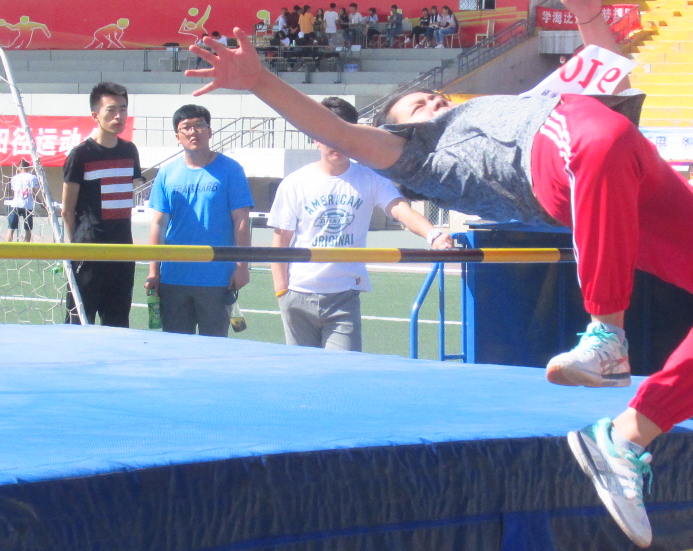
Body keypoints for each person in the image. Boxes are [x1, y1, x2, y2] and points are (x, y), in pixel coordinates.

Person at [186, 0, 693, 548]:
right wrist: (260, 81)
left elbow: (608, 72)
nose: (433, 101)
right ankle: (607, 335)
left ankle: (626, 437)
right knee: (599, 135)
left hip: (629, 168)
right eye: (417, 105)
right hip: (562, 161)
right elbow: (337, 131)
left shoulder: (511, 102)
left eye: (434, 96)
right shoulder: (418, 154)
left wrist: (588, 14)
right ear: (401, 130)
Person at [270, 97, 453, 350]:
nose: (336, 142)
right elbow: (281, 239)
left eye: (343, 133)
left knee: (344, 369)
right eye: (328, 133)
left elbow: (401, 210)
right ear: (315, 137)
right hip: (298, 294)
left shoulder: (370, 177)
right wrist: (282, 292)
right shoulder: (295, 182)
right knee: (303, 369)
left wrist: (433, 234)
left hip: (344, 296)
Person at [145, 104, 253, 337]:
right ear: (177, 136)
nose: (193, 132)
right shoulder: (166, 173)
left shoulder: (231, 170)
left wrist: (242, 267)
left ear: (210, 131)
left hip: (218, 279)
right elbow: (158, 224)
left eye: (200, 126)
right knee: (175, 346)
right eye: (186, 127)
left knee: (213, 348)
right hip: (174, 277)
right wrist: (154, 270)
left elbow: (242, 221)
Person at [61, 81, 142, 328]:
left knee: (118, 323)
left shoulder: (130, 150)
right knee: (78, 323)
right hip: (88, 253)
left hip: (123, 253)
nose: (119, 116)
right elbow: (67, 210)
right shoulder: (80, 154)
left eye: (123, 109)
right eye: (111, 109)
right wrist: (74, 249)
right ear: (95, 115)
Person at [6, 159, 40, 243]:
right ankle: (25, 247)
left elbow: (14, 191)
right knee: (28, 229)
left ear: (19, 168)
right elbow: (33, 193)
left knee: (11, 228)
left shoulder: (14, 178)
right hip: (27, 205)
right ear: (28, 168)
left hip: (16, 204)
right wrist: (41, 203)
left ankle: (7, 247)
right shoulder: (32, 177)